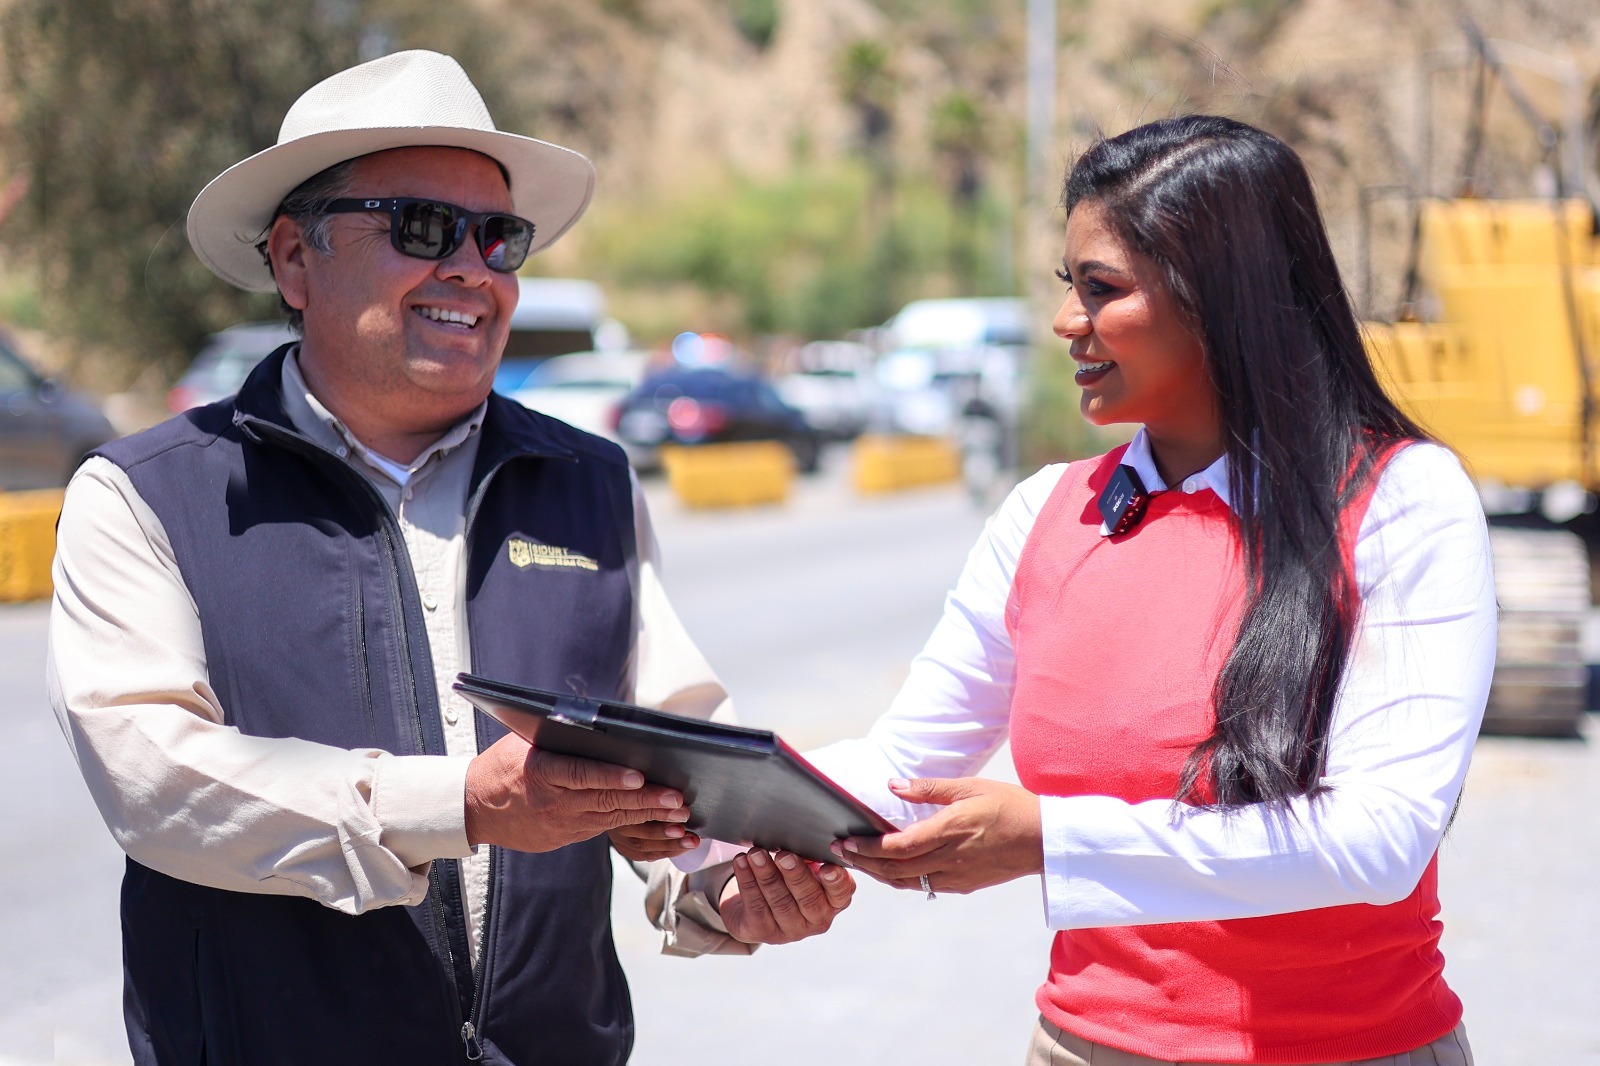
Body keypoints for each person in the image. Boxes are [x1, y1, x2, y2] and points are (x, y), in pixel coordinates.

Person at [47, 50, 851, 1065]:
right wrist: (461, 804)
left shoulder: (589, 480)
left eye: (498, 237)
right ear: (295, 258)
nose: (471, 266)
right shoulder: (148, 493)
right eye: (421, 228)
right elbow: (154, 783)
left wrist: (732, 882)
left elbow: (677, 753)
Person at [805, 115, 1494, 1065]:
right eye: (1068, 286)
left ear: (1223, 301)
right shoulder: (1045, 511)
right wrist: (702, 813)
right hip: (1083, 1046)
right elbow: (903, 765)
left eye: (1102, 289)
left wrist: (1055, 840)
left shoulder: (1401, 503)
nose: (1065, 322)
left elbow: (1379, 840)